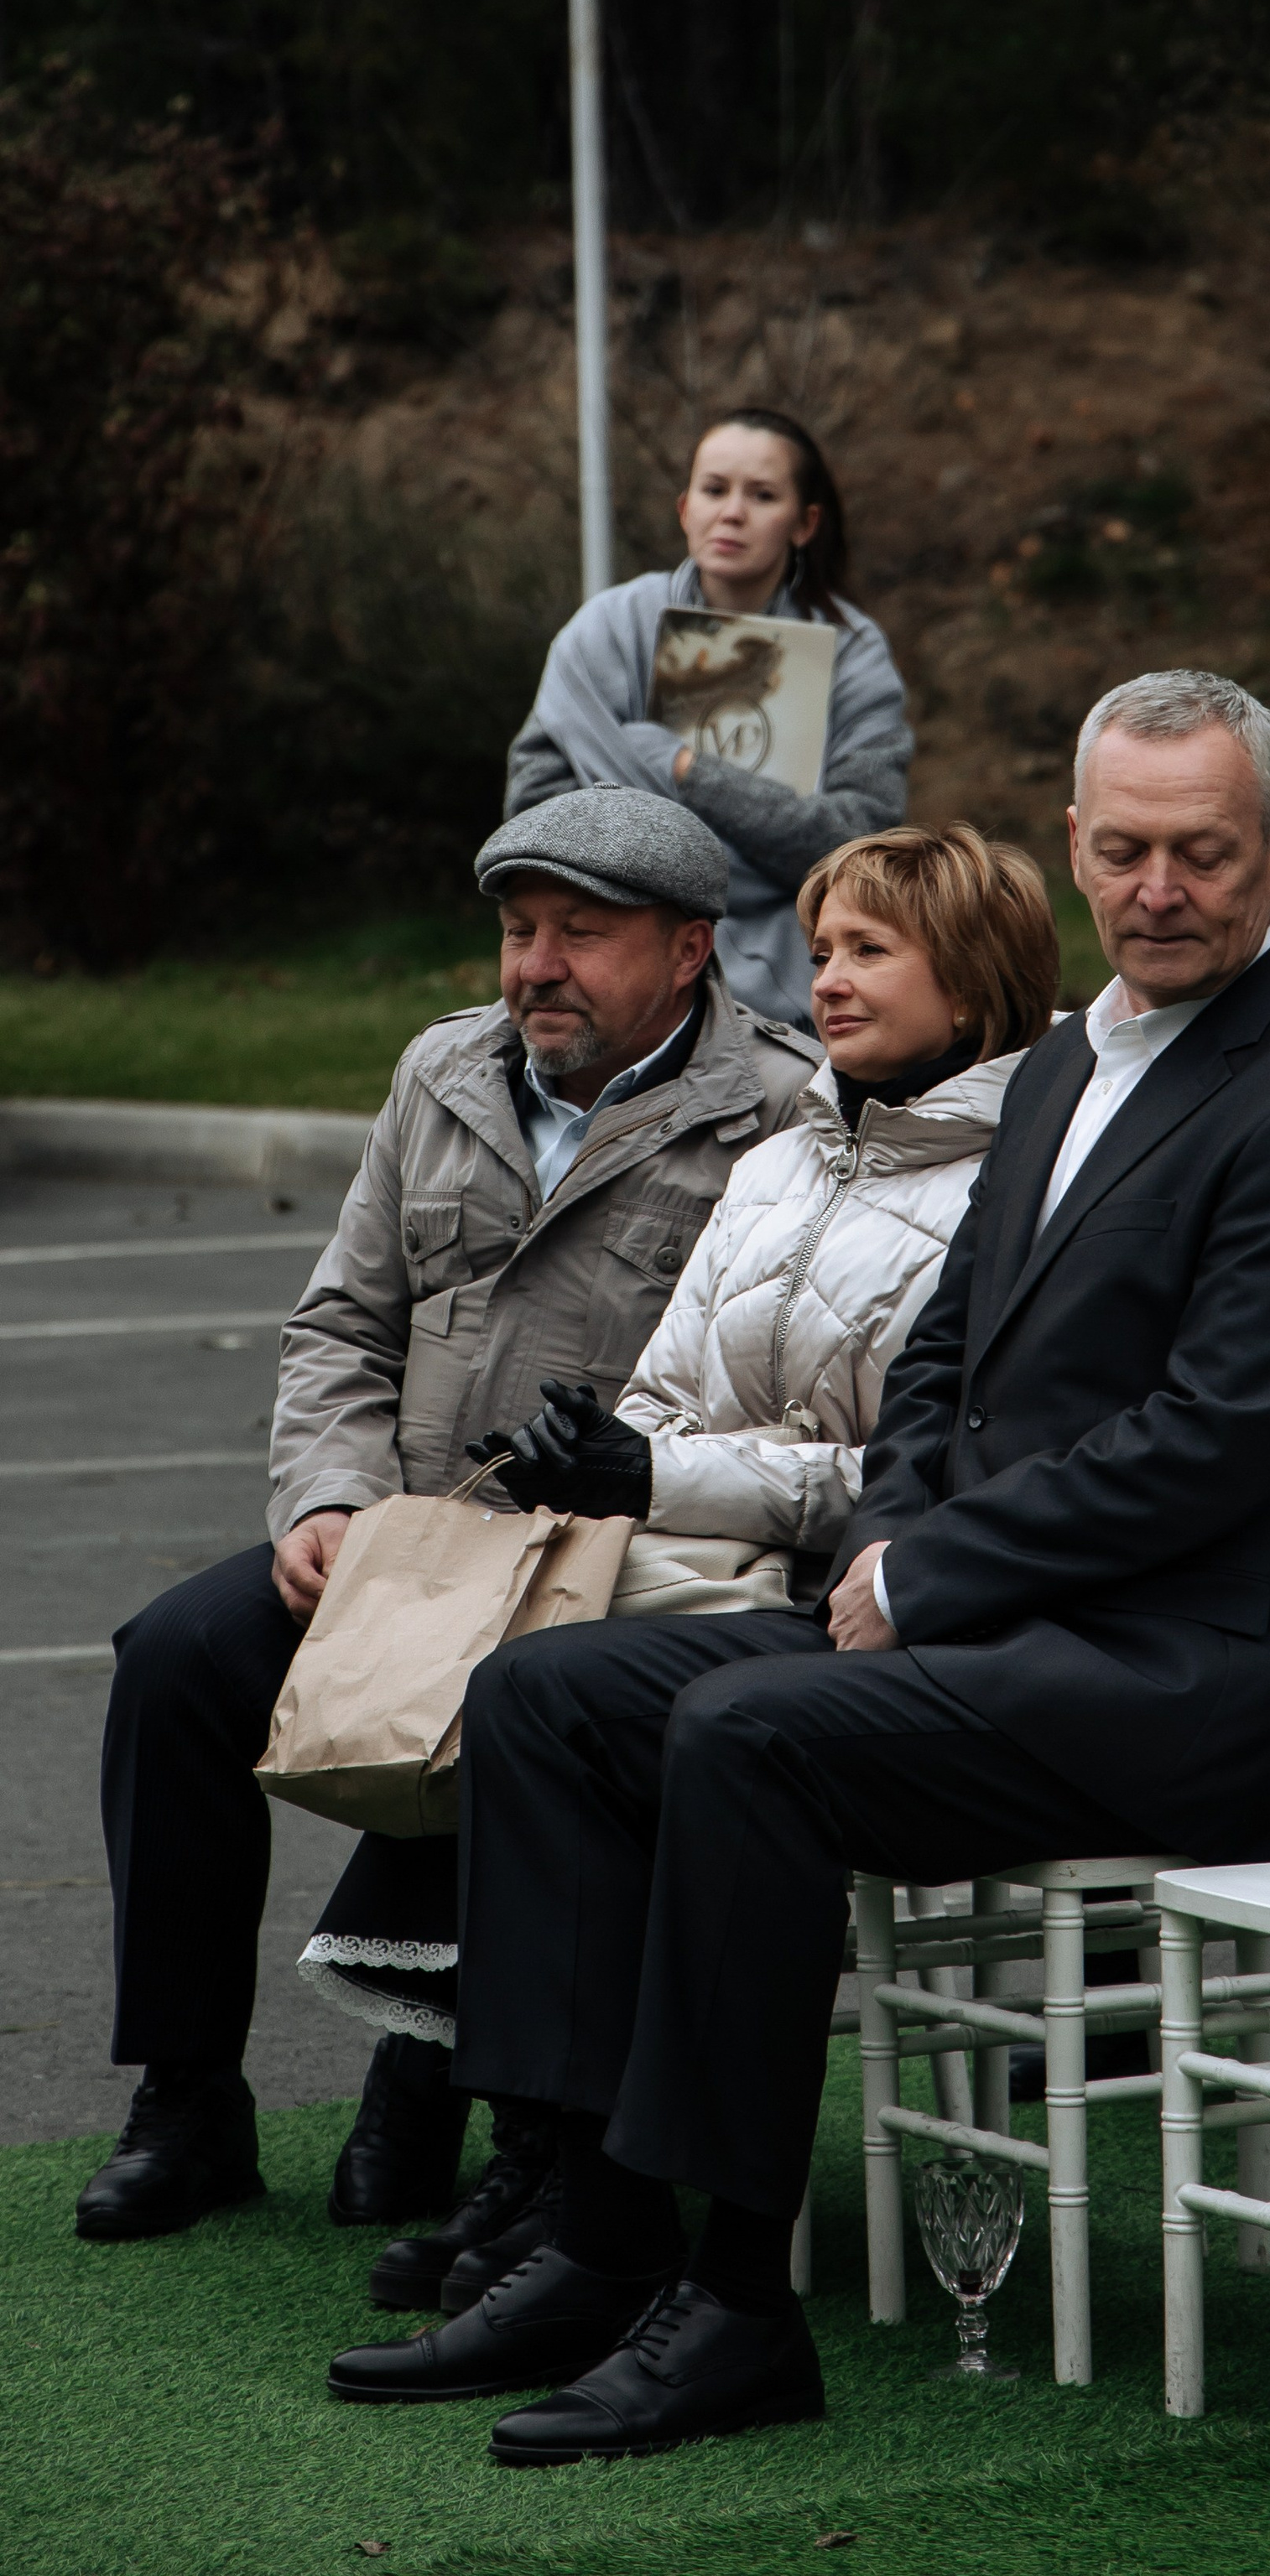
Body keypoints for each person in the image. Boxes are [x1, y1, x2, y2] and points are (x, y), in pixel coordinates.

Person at [325, 667, 1270, 2463]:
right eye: (1128, 849)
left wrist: (932, 1573)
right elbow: (943, 1351)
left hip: (1188, 1676)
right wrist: (896, 1519)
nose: (1160, 888)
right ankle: (590, 2227)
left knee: (750, 1737)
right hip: (1007, 1629)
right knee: (549, 1695)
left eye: (1204, 855)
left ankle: (739, 2301)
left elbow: (1219, 1439)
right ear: (1075, 844)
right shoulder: (1074, 1052)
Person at [301, 824, 1059, 2316]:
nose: (828, 979)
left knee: (524, 1680)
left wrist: (665, 1481)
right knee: (493, 1659)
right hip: (678, 1558)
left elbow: (913, 1478)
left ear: (972, 989)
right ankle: (539, 2150)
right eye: (826, 947)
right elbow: (654, 1402)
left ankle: (536, 2145)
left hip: (827, 1598)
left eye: (869, 953)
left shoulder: (1008, 1193)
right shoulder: (785, 1156)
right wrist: (630, 1458)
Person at [75, 789, 815, 2262]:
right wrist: (330, 1501)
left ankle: (439, 2068)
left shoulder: (776, 1109)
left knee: (515, 1699)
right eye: (517, 930)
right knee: (174, 1660)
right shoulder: (443, 1075)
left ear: (687, 951)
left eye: (579, 936)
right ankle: (189, 2095)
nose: (536, 965)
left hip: (611, 1570)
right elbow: (343, 1323)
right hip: (402, 1550)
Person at [505, 409, 913, 1029]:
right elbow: (534, 815)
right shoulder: (606, 629)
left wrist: (683, 769)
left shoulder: (854, 655)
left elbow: (859, 844)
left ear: (804, 524)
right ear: (684, 508)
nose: (733, 512)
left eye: (763, 495)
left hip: (793, 971)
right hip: (612, 950)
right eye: (715, 489)